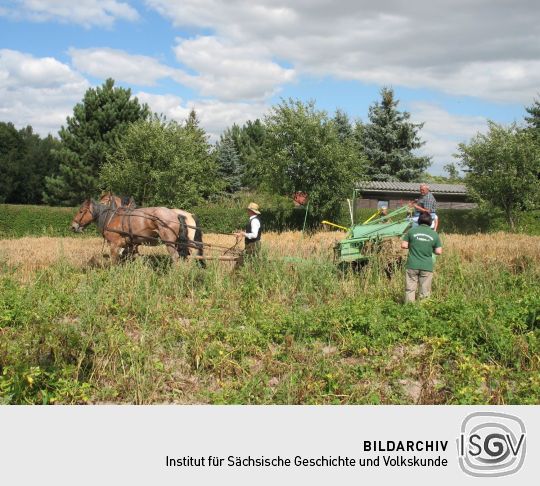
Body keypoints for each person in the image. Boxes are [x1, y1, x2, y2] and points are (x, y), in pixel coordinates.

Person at [401, 212, 443, 303]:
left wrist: (414, 245)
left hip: (412, 264)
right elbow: (438, 251)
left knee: (410, 289)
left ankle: (409, 309)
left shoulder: (411, 231)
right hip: (426, 266)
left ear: (419, 221)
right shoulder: (434, 234)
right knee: (425, 291)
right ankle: (423, 311)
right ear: (431, 222)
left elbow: (404, 245)